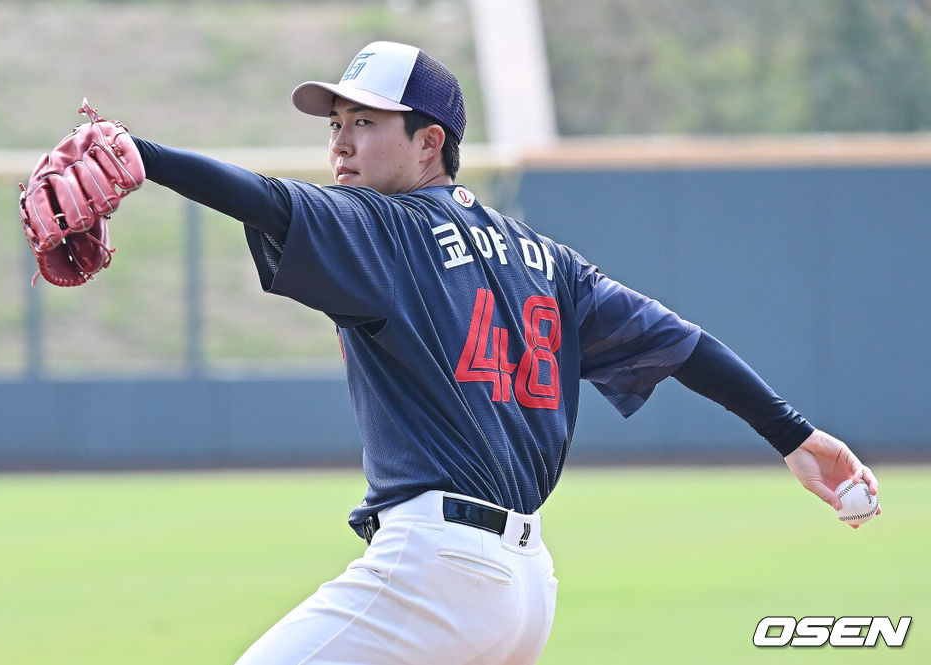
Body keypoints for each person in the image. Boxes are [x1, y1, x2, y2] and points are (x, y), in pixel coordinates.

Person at [127, 41, 879, 665]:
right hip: (524, 588)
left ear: (430, 143)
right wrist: (793, 435)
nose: (341, 142)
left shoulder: (385, 227)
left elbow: (265, 198)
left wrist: (141, 154)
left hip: (438, 571)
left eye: (366, 121)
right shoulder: (548, 260)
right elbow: (685, 345)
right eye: (337, 123)